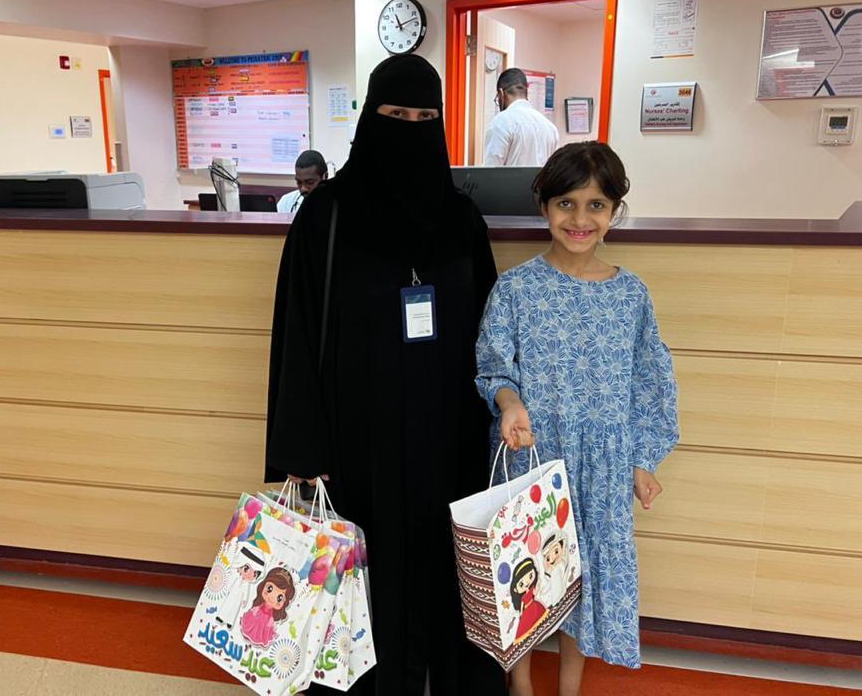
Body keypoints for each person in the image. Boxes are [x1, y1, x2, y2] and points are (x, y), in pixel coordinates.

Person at [265, 54, 506, 696]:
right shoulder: (326, 216)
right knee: (363, 578)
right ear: (370, 118)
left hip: (449, 436)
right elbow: (297, 330)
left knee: (448, 574)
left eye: (425, 118)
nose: (411, 128)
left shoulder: (462, 220)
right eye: (396, 114)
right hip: (358, 437)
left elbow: (491, 332)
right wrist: (301, 447)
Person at [474, 142, 678, 696]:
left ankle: (570, 686)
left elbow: (650, 384)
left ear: (614, 211)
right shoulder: (516, 288)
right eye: (566, 203)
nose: (580, 219)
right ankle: (520, 685)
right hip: (532, 455)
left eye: (596, 205)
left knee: (579, 580)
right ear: (544, 206)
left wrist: (642, 460)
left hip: (602, 470)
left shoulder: (631, 295)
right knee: (523, 573)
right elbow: (494, 366)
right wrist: (509, 403)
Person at [483, 68, 559, 167]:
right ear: (526, 93)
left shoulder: (501, 122)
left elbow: (490, 170)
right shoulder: (550, 128)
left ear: (501, 94)